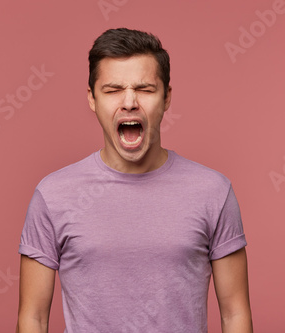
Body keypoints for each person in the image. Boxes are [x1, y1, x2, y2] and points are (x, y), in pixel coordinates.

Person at [16, 27, 253, 333]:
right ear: (92, 99)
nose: (129, 102)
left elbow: (235, 314)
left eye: (145, 89)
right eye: (113, 90)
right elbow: (32, 318)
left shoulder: (213, 192)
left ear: (167, 97)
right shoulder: (53, 195)